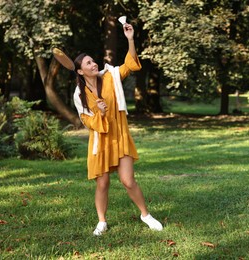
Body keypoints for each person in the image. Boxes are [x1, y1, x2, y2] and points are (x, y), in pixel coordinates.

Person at [72, 22, 163, 236]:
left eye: (93, 61)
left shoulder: (111, 77)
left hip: (119, 136)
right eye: (88, 63)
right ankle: (102, 221)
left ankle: (145, 215)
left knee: (128, 180)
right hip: (100, 142)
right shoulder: (80, 95)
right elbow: (87, 122)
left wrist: (130, 39)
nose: (94, 64)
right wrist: (100, 113)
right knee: (102, 184)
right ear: (80, 70)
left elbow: (130, 65)